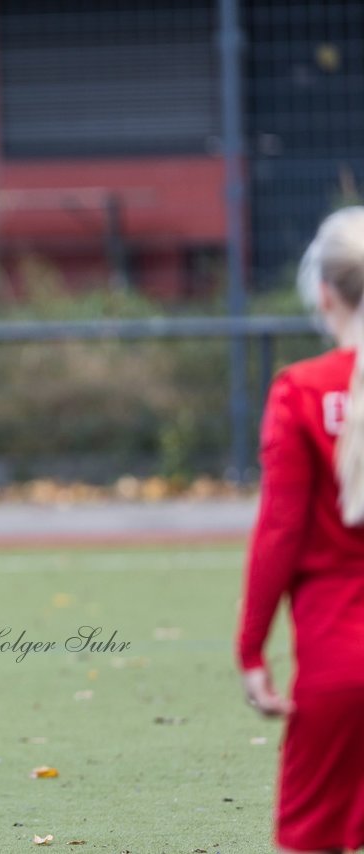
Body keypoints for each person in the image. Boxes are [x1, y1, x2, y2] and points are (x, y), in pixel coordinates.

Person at [237, 205, 364, 854]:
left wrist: (252, 651)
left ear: (323, 292)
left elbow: (280, 532)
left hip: (339, 665)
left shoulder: (304, 391)